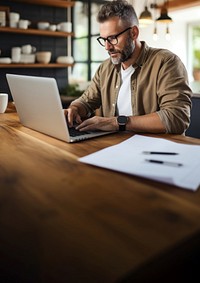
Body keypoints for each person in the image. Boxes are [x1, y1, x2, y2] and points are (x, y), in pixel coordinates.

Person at [65, 0, 192, 134]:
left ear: (134, 33)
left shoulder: (166, 62)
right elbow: (86, 101)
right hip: (114, 147)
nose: (107, 47)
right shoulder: (105, 68)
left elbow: (177, 118)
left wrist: (116, 122)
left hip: (156, 150)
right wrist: (74, 108)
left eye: (113, 38)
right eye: (103, 39)